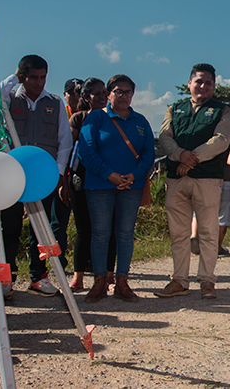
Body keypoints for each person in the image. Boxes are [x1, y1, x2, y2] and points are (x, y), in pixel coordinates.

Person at [154, 63, 230, 300]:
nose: (203, 86)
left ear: (214, 86)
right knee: (179, 233)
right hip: (176, 179)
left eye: (208, 82)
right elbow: (164, 137)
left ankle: (207, 281)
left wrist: (190, 159)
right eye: (198, 81)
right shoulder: (174, 108)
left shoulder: (223, 110)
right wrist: (180, 156)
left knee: (208, 232)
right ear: (189, 83)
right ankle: (179, 280)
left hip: (207, 179)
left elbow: (221, 140)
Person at [0, 54, 73, 297]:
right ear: (23, 76)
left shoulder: (54, 103)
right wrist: (13, 79)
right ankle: (6, 277)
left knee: (39, 230)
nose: (38, 82)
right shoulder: (8, 99)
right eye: (33, 77)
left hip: (43, 177)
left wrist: (59, 172)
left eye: (43, 77)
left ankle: (38, 277)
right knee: (9, 227)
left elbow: (64, 140)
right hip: (11, 175)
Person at [78, 74, 155, 303]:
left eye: (128, 92)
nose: (123, 96)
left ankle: (122, 281)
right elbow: (86, 152)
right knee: (100, 234)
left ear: (133, 95)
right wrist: (110, 175)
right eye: (118, 91)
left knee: (125, 234)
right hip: (100, 185)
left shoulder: (140, 121)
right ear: (108, 94)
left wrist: (134, 175)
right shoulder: (94, 118)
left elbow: (149, 153)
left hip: (131, 185)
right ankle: (99, 282)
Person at [68, 77, 117, 292]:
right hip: (82, 179)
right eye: (95, 93)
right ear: (86, 97)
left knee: (110, 230)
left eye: (103, 92)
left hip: (110, 179)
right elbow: (70, 149)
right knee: (84, 230)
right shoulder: (78, 119)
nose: (100, 97)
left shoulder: (116, 117)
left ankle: (109, 275)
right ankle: (78, 277)